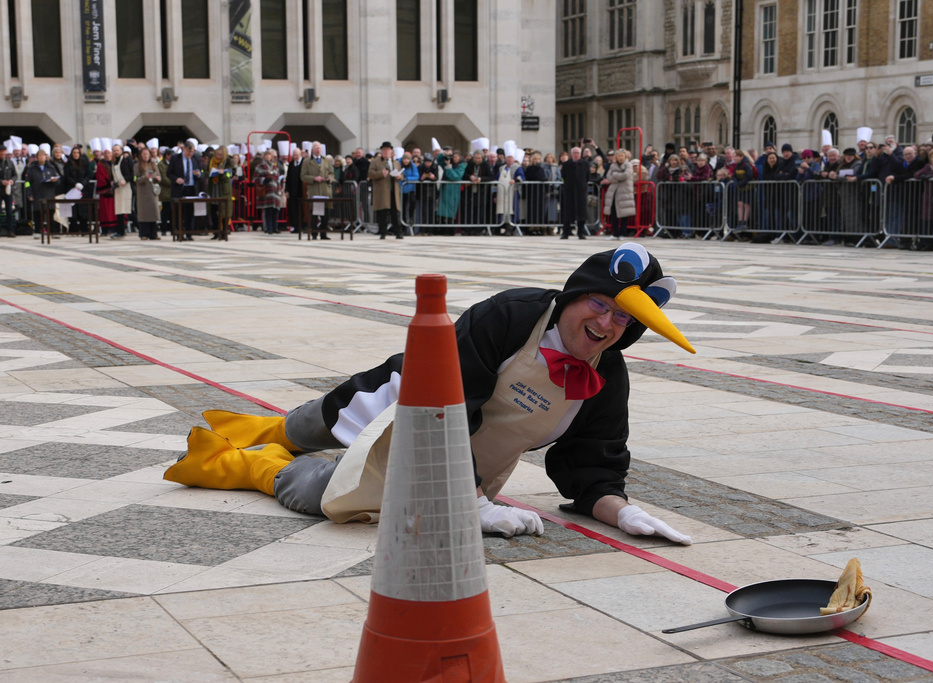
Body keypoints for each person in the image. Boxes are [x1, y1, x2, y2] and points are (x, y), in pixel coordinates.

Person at [164, 244, 695, 544]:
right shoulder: (512, 315)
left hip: (461, 477)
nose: (607, 324)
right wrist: (470, 504)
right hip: (408, 406)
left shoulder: (608, 376)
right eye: (600, 305)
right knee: (307, 425)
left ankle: (240, 466)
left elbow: (590, 464)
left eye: (623, 318)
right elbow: (449, 407)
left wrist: (618, 510)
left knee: (327, 496)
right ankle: (262, 430)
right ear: (578, 294)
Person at [367, 141, 404, 239]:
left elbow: (402, 174)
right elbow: (370, 173)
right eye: (384, 150)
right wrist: (380, 174)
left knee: (395, 213)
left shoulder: (395, 162)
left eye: (388, 150)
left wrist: (399, 177)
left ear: (391, 151)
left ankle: (398, 232)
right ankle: (383, 232)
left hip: (393, 190)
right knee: (382, 212)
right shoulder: (375, 162)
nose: (386, 152)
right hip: (382, 191)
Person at [168, 140, 202, 240]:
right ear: (184, 149)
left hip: (191, 188)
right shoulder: (175, 158)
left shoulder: (195, 158)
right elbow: (169, 173)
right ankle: (179, 233)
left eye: (191, 152)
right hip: (179, 188)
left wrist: (198, 174)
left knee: (190, 212)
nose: (189, 154)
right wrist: (176, 179)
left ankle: (189, 233)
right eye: (188, 152)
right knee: (179, 212)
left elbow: (201, 172)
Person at [24, 148, 61, 238]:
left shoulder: (51, 167)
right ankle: (38, 231)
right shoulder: (32, 169)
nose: (41, 157)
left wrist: (55, 180)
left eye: (43, 155)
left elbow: (57, 180)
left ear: (46, 157)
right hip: (37, 193)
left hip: (49, 193)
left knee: (50, 214)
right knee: (38, 214)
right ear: (37, 157)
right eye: (39, 156)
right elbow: (27, 182)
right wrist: (29, 194)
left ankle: (52, 231)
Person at [300, 142, 334, 240]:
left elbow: (332, 173)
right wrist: (314, 178)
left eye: (319, 148)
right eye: (316, 148)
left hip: (325, 189)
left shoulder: (326, 160)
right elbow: (303, 176)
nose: (318, 150)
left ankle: (324, 233)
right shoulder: (307, 161)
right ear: (312, 150)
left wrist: (329, 178)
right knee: (314, 212)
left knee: (326, 212)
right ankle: (314, 233)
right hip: (314, 189)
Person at [602, 149, 635, 241]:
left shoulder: (628, 165)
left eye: (622, 156)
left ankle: (622, 233)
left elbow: (626, 175)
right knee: (613, 213)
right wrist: (617, 177)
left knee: (624, 214)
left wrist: (615, 175)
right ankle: (615, 233)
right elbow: (609, 177)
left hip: (624, 192)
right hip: (614, 192)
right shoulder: (613, 165)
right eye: (619, 156)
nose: (620, 158)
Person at [560, 146, 589, 239]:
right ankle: (566, 232)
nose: (576, 155)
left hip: (581, 191)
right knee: (567, 213)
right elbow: (563, 175)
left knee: (581, 213)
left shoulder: (585, 164)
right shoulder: (566, 164)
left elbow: (588, 176)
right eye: (574, 153)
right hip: (569, 191)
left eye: (578, 153)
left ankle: (581, 233)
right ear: (571, 154)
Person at [205, 146, 233, 240]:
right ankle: (216, 231)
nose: (218, 156)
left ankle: (224, 232)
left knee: (224, 211)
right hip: (213, 187)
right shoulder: (211, 160)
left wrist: (223, 174)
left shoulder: (228, 162)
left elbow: (230, 174)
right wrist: (209, 173)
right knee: (213, 210)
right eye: (217, 154)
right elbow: (206, 172)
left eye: (220, 155)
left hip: (223, 189)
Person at [134, 147, 161, 240]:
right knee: (144, 213)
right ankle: (144, 233)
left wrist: (157, 179)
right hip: (143, 192)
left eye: (147, 154)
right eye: (144, 154)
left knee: (153, 212)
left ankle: (153, 233)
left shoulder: (153, 165)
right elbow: (135, 179)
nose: (146, 156)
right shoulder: (137, 166)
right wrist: (145, 177)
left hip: (152, 191)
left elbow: (158, 175)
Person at [255, 150, 283, 234]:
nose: (268, 157)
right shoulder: (260, 166)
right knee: (268, 210)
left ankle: (275, 227)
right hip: (267, 191)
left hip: (275, 191)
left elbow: (278, 178)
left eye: (269, 155)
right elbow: (255, 179)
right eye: (266, 155)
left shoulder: (274, 167)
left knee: (275, 210)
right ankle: (269, 228)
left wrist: (280, 188)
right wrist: (264, 180)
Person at [399, 152, 420, 233]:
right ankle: (403, 225)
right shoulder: (400, 166)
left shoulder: (413, 166)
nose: (406, 161)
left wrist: (406, 179)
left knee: (412, 202)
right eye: (405, 159)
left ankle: (410, 218)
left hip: (410, 189)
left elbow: (416, 176)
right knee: (403, 207)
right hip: (402, 189)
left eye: (407, 159)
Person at [0, 145, 17, 237]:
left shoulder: (10, 163)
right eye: (1, 152)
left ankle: (10, 230)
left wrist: (12, 181)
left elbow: (15, 175)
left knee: (9, 211)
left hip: (8, 191)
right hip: (0, 189)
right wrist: (1, 182)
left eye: (4, 152)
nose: (2, 153)